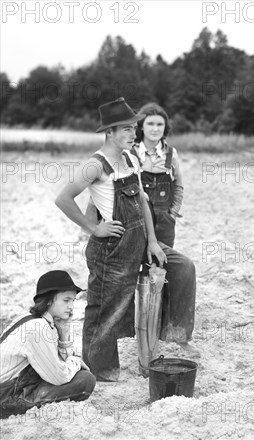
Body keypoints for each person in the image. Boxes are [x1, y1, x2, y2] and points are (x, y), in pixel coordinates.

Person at [55, 97, 167, 382]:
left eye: (134, 129)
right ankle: (98, 371)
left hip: (137, 243)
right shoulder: (96, 165)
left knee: (177, 270)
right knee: (103, 310)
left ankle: (154, 346)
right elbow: (63, 199)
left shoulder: (131, 159)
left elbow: (141, 199)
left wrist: (152, 241)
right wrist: (93, 228)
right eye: (127, 130)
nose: (134, 134)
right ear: (110, 132)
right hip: (110, 249)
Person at [0, 271, 96, 418]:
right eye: (66, 300)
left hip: (13, 387)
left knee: (80, 376)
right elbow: (59, 377)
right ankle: (9, 411)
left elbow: (58, 365)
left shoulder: (33, 319)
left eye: (73, 301)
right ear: (49, 300)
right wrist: (75, 360)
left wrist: (63, 333)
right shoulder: (39, 327)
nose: (71, 306)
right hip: (5, 396)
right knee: (85, 380)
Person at [130, 103, 184, 248]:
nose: (155, 129)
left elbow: (178, 185)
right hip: (136, 222)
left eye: (160, 124)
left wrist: (172, 214)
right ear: (141, 126)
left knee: (160, 266)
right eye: (150, 124)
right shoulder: (129, 152)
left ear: (165, 127)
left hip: (164, 223)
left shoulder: (171, 154)